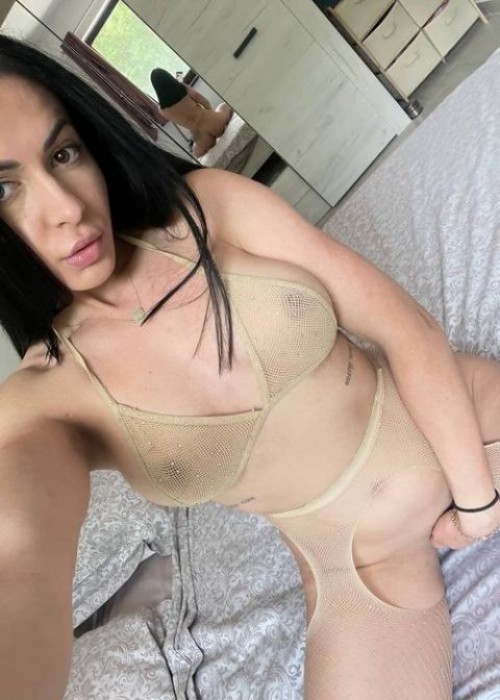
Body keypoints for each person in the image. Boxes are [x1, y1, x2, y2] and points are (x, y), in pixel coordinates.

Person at [0, 33, 499, 700]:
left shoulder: (209, 210)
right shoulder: (45, 399)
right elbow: (19, 564)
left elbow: (406, 329)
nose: (67, 208)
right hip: (361, 563)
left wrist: (477, 507)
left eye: (64, 153)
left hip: (467, 421)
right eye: (3, 188)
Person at [150, 67, 233, 158]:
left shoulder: (163, 110)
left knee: (196, 153)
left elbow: (182, 123)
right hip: (213, 122)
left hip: (202, 137)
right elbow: (203, 101)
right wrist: (212, 113)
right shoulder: (182, 88)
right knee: (224, 106)